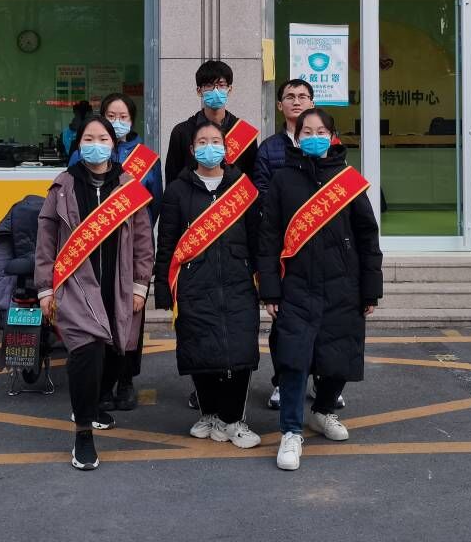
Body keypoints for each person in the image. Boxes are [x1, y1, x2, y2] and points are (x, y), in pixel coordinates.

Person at [257, 107, 383, 472]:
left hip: (343, 285)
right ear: (297, 138)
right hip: (296, 286)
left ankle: (323, 411)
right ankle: (290, 431)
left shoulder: (347, 180)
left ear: (332, 137)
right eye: (306, 132)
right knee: (294, 360)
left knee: (339, 356)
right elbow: (268, 238)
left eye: (320, 132)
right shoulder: (283, 180)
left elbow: (367, 237)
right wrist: (270, 290)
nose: (313, 137)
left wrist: (370, 289)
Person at [36, 115, 155, 471]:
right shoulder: (62, 186)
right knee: (85, 354)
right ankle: (83, 434)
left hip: (117, 286)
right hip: (75, 287)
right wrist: (45, 289)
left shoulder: (128, 186)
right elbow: (45, 241)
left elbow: (143, 241)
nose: (96, 144)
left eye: (103, 138)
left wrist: (140, 285)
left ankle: (93, 406)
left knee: (113, 353)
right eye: (88, 138)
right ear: (78, 144)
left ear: (113, 144)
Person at [153, 118, 262, 449]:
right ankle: (211, 413)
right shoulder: (177, 191)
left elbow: (258, 240)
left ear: (226, 148)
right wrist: (163, 290)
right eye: (202, 142)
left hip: (238, 282)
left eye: (216, 142)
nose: (209, 147)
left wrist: (266, 284)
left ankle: (233, 420)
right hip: (194, 284)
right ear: (192, 149)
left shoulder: (243, 188)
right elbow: (166, 244)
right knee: (199, 350)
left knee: (240, 351)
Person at [67, 92, 162, 411]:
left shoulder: (146, 158)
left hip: (130, 250)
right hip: (90, 250)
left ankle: (126, 381)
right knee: (97, 314)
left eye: (123, 117)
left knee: (130, 319)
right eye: (111, 116)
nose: (117, 122)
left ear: (132, 121)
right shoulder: (80, 154)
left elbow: (155, 204)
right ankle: (100, 383)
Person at [253, 78, 321, 411]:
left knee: (324, 322)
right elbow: (262, 194)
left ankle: (322, 381)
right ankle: (283, 381)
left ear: (312, 103)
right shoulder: (269, 149)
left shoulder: (327, 143)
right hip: (285, 249)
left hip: (322, 249)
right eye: (290, 97)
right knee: (285, 323)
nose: (297, 101)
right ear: (279, 105)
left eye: (303, 96)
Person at [165, 60, 259, 185]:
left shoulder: (245, 133)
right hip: (192, 196)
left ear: (230, 89)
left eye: (221, 85)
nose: (216, 91)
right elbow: (172, 180)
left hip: (231, 197)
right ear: (199, 91)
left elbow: (252, 181)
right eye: (209, 85)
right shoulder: (181, 132)